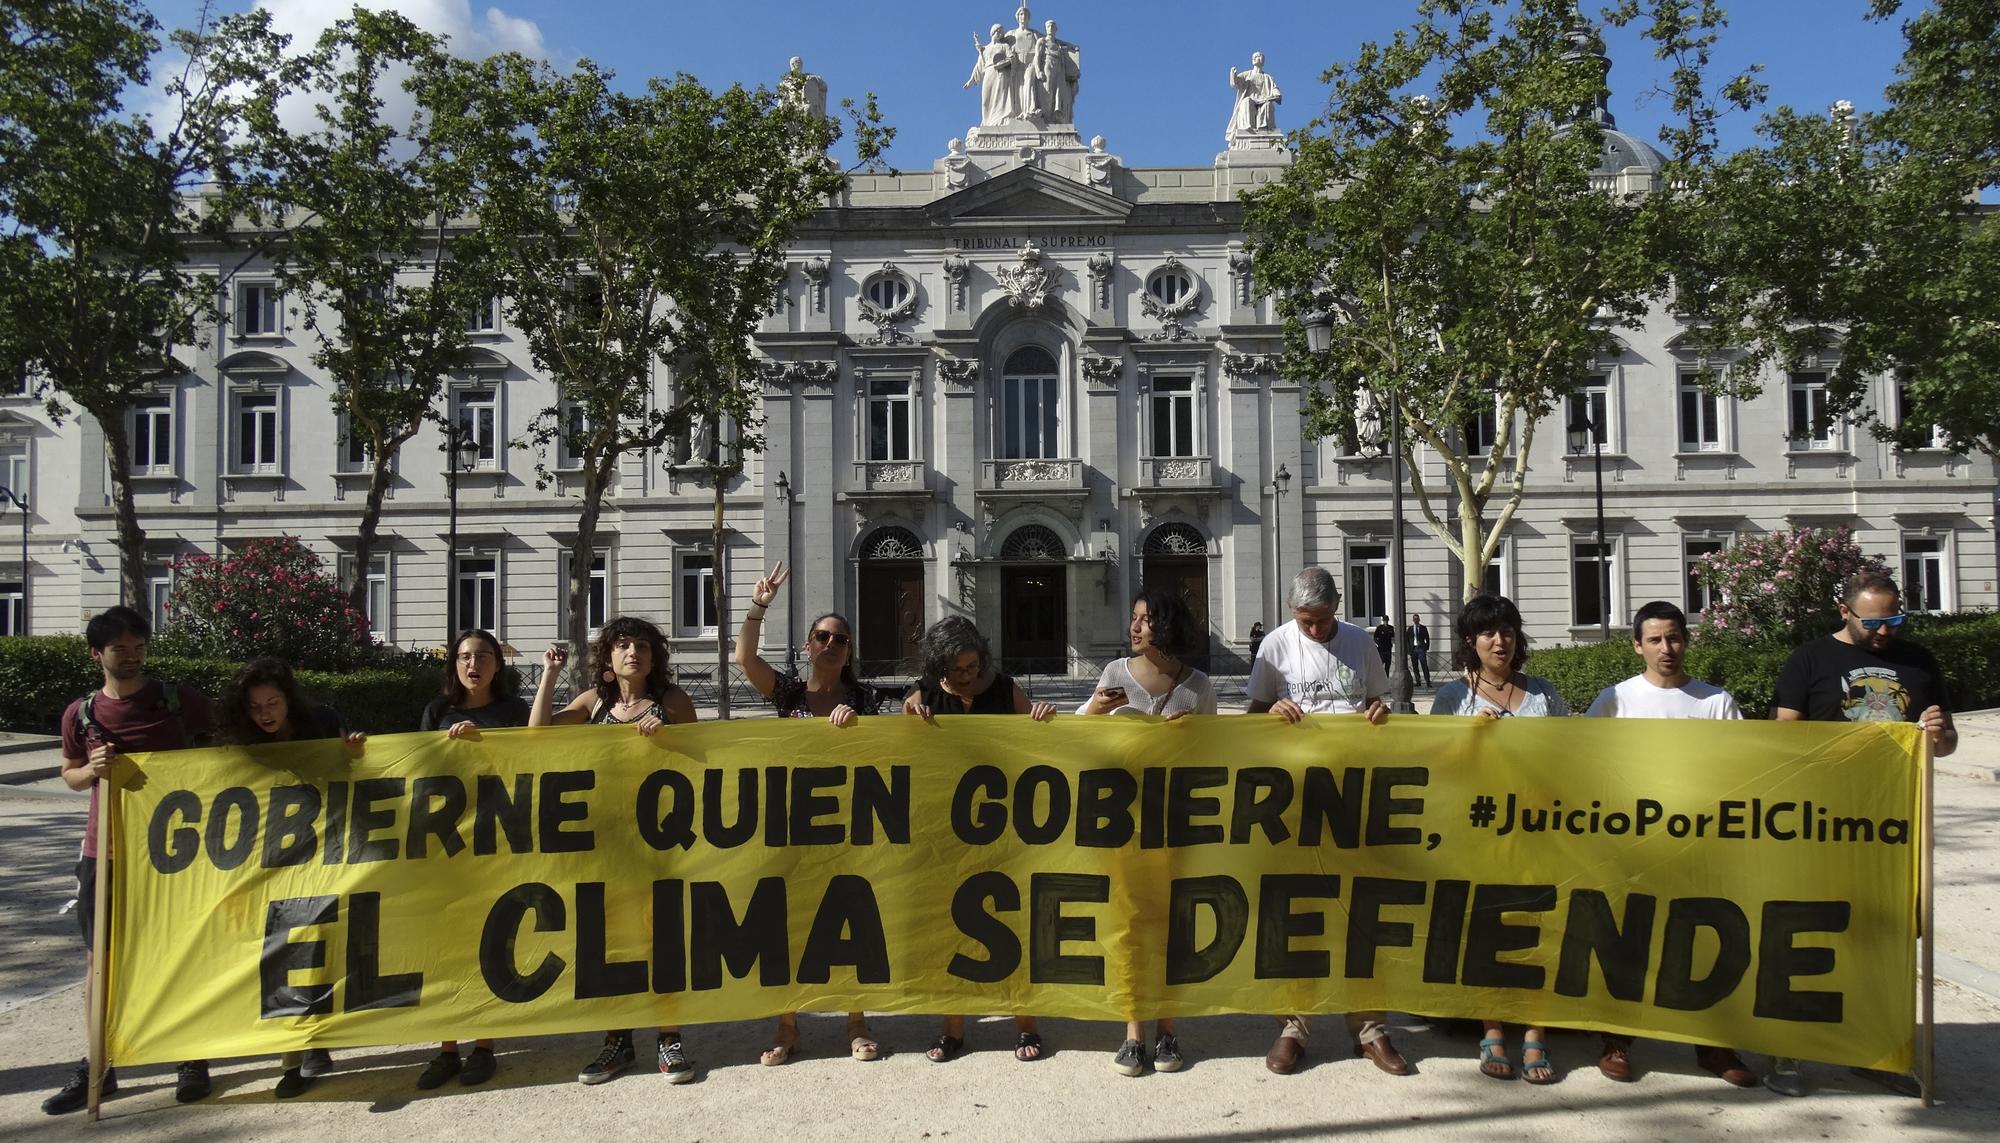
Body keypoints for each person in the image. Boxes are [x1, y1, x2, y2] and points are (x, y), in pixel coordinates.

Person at [1768, 569, 1956, 1098]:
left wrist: (1940, 737)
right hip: (1821, 822)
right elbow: (1784, 737)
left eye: (1894, 619)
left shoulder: (1920, 662)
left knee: (1886, 936)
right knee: (1806, 932)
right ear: (1845, 612)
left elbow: (1945, 744)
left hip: (1894, 823)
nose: (1884, 631)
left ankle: (1877, 1052)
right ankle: (1789, 1050)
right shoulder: (1809, 660)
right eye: (1873, 621)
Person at [44, 606, 217, 1116]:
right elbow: (69, 773)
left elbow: (226, 749)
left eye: (139, 647)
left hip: (176, 856)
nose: (133, 656)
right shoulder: (82, 714)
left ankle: (189, 1056)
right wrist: (92, 771)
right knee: (101, 963)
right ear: (98, 654)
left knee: (180, 953)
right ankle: (100, 1065)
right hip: (107, 853)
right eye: (121, 648)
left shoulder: (179, 701)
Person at [1585, 601, 1760, 1089]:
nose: (1667, 648)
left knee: (1703, 945)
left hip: (1699, 847)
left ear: (1688, 639)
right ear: (1638, 645)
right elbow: (1582, 762)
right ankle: (1617, 1037)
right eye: (1656, 640)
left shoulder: (1716, 702)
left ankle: (1713, 1042)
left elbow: (1740, 772)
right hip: (1631, 846)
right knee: (1626, 942)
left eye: (1675, 637)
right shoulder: (1614, 700)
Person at [1245, 569, 1405, 1077]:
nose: (1313, 630)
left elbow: (1387, 704)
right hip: (1294, 797)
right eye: (1304, 621)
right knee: (1297, 909)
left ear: (1338, 606)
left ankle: (1370, 1028)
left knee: (1361, 908)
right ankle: (1294, 1025)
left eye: (1321, 620)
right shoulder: (1274, 645)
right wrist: (1271, 710)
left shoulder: (1361, 643)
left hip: (1355, 793)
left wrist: (1381, 712)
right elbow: (1250, 716)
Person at [531, 617, 700, 1085]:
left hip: (664, 840)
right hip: (606, 840)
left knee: (663, 938)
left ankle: (669, 1038)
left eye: (643, 646)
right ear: (607, 657)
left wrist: (671, 740)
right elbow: (537, 734)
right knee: (609, 943)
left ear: (654, 657)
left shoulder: (672, 702)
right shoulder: (595, 703)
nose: (634, 653)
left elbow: (709, 759)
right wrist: (548, 675)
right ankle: (617, 1041)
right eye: (623, 645)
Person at [734, 560, 882, 1065]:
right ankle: (787, 1026)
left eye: (840, 640)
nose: (831, 645)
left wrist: (861, 726)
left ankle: (857, 1022)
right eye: (822, 636)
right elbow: (744, 658)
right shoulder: (788, 694)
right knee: (789, 924)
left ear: (849, 653)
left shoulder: (865, 698)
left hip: (849, 824)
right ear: (807, 645)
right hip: (791, 823)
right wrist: (758, 605)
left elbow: (893, 750)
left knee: (852, 922)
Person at [901, 616, 1056, 1063]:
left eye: (973, 667)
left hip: (1007, 828)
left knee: (1015, 924)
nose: (968, 678)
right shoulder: (921, 696)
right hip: (945, 833)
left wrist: (1042, 720)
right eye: (957, 671)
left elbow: (1041, 748)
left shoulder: (1006, 690)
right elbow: (903, 758)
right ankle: (953, 1028)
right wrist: (911, 721)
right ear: (937, 669)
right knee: (950, 928)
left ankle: (1026, 1024)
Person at [1077, 590, 1216, 1075]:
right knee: (1129, 922)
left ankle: (1170, 1030)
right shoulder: (1115, 674)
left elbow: (1215, 758)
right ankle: (1133, 1030)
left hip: (1176, 821)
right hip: (1121, 822)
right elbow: (1078, 736)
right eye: (1134, 619)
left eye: (1146, 620)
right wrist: (1095, 708)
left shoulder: (1198, 687)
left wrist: (1188, 739)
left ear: (1168, 626)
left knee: (1174, 923)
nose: (1135, 628)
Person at [1428, 595, 1566, 1084]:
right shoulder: (1453, 698)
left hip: (1538, 832)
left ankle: (1536, 1033)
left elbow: (1571, 758)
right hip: (1479, 835)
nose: (1499, 641)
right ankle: (1491, 1028)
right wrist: (1470, 738)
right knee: (1486, 929)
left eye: (1506, 630)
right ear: (1471, 642)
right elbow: (1437, 768)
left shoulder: (1545, 694)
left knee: (1542, 928)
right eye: (1487, 632)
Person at [214, 657, 366, 1099]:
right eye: (256, 706)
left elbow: (349, 775)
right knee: (280, 950)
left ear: (289, 701)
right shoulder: (236, 741)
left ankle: (315, 1041)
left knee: (323, 943)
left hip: (322, 851)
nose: (265, 713)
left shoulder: (322, 722)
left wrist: (354, 751)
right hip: (269, 857)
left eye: (273, 702)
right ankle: (292, 1055)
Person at [412, 628, 530, 1089]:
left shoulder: (512, 711)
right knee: (445, 945)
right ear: (453, 666)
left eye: (483, 656)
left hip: (495, 842)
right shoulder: (435, 712)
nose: (473, 664)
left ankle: (484, 1044)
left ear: (497, 665)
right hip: (445, 845)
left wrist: (484, 744)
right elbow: (416, 767)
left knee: (489, 942)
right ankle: (445, 1048)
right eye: (464, 656)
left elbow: (527, 762)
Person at [1226, 51, 1282, 142]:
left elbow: (1275, 89)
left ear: (1263, 60)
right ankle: (1248, 128)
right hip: (1251, 100)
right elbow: (1236, 83)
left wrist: (1276, 94)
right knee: (1246, 101)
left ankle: (1264, 129)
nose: (1256, 58)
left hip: (1263, 100)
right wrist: (1233, 75)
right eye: (1255, 57)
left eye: (1259, 56)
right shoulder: (1247, 74)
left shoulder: (1268, 77)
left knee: (1267, 105)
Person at [1407, 616, 1432, 687]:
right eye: (1414, 619)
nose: (1416, 620)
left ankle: (1428, 681)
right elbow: (1407, 640)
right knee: (1415, 666)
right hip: (1413, 649)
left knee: (1424, 664)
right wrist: (1409, 650)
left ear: (1419, 620)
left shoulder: (1423, 628)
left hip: (1421, 648)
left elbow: (1427, 638)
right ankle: (1418, 681)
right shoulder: (1410, 629)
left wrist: (1426, 648)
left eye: (1417, 619)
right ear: (1413, 620)